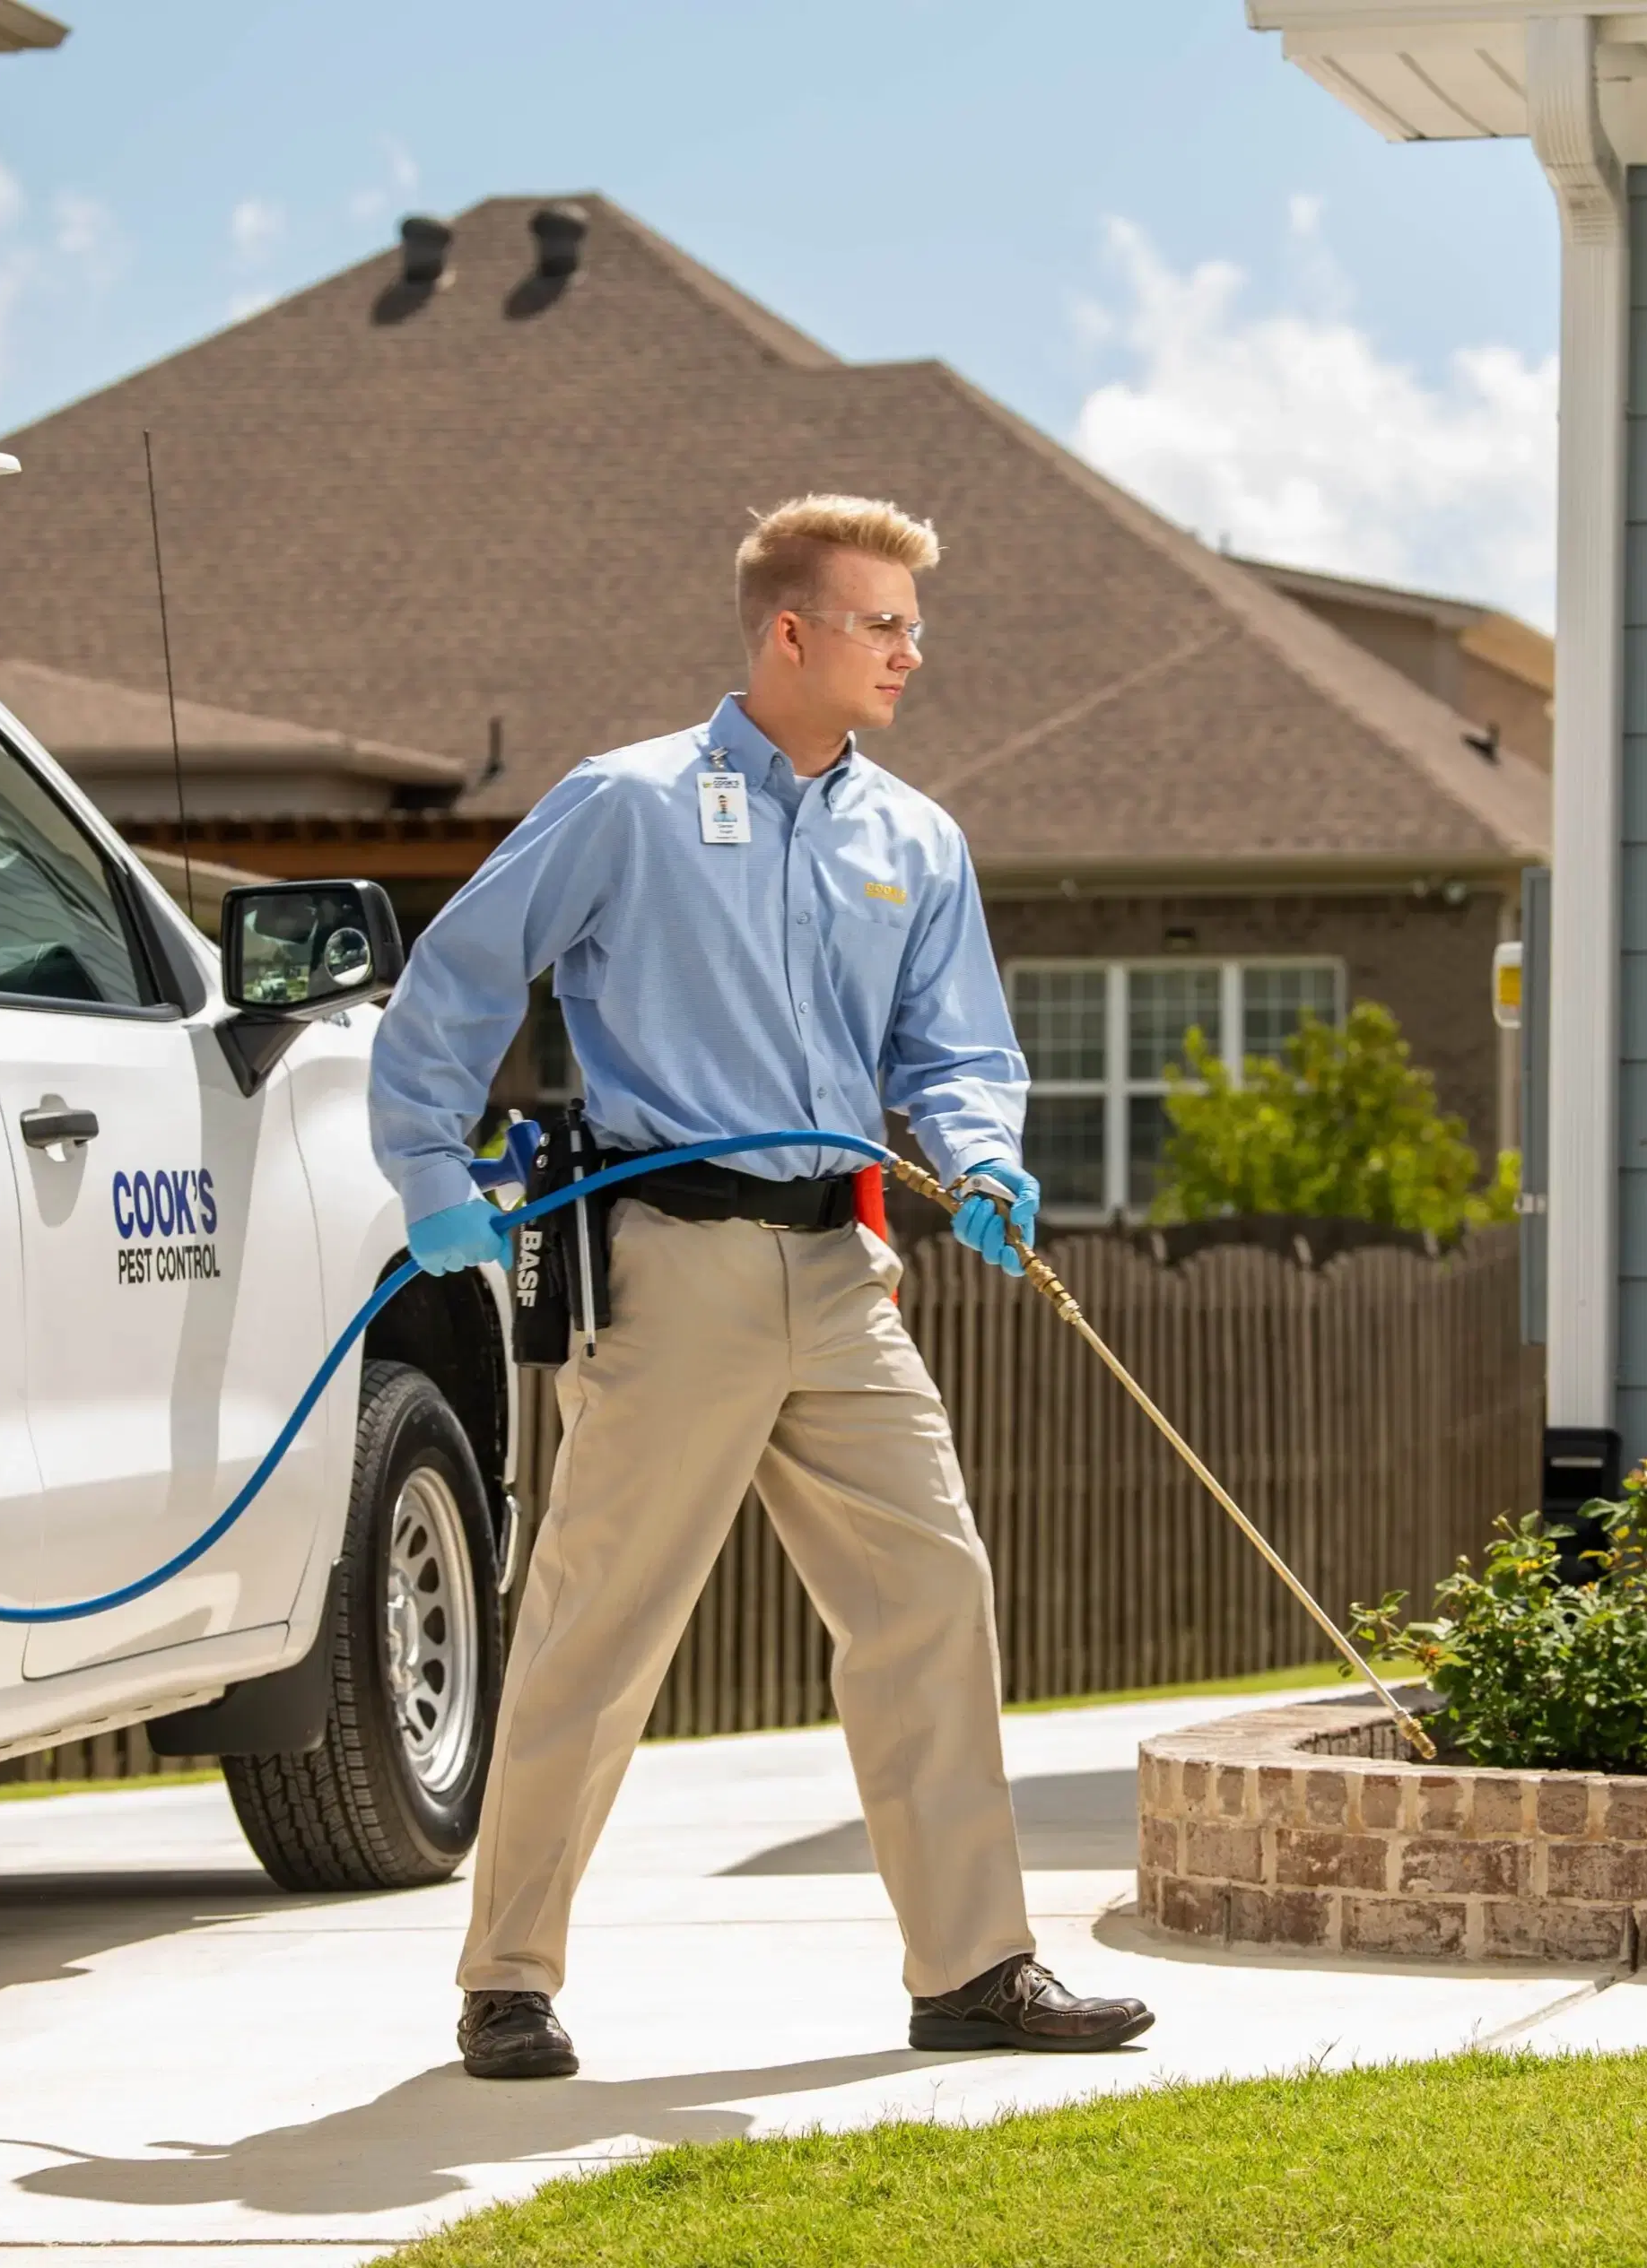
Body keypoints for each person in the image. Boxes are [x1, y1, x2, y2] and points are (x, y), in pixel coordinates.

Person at [368, 494, 1155, 2080]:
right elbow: (458, 975)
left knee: (931, 1595)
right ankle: (508, 1977)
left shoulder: (912, 837)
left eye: (914, 626)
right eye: (883, 624)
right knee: (602, 1625)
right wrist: (432, 1177)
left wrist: (985, 1158)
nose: (910, 653)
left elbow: (957, 1047)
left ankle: (974, 1966)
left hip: (844, 1269)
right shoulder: (629, 806)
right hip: (673, 1274)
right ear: (789, 632)